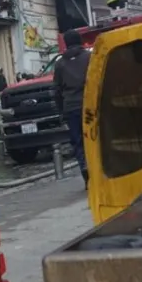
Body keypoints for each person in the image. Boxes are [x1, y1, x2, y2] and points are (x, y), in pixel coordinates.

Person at [54, 30, 91, 189]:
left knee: (78, 142)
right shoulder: (89, 57)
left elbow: (56, 90)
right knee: (95, 138)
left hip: (71, 107)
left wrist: (61, 111)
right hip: (90, 104)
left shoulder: (60, 63)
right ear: (81, 41)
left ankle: (86, 174)